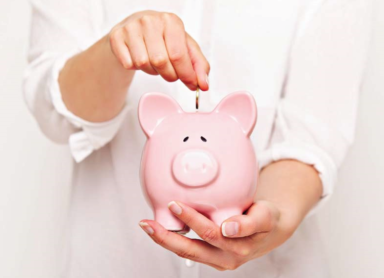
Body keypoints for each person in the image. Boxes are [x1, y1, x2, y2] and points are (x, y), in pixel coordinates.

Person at [23, 0, 372, 277]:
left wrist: (272, 214)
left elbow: (311, 133)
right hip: (113, 261)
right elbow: (52, 111)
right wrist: (116, 53)